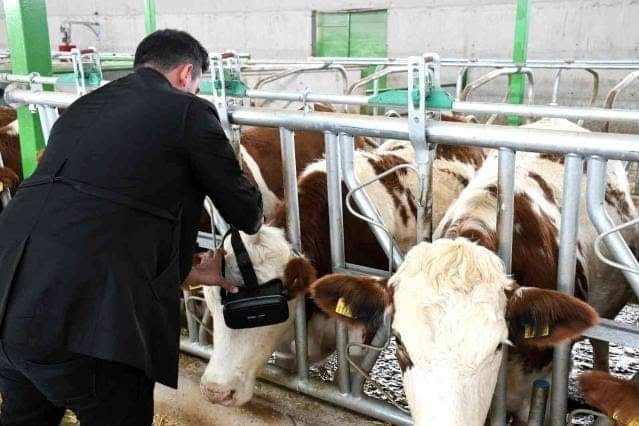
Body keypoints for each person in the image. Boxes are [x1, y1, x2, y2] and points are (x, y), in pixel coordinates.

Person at [0, 29, 262, 425]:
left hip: (9, 295)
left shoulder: (84, 106)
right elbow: (245, 212)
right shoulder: (189, 111)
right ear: (186, 73)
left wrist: (184, 270)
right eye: (196, 84)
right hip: (85, 318)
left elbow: (96, 208)